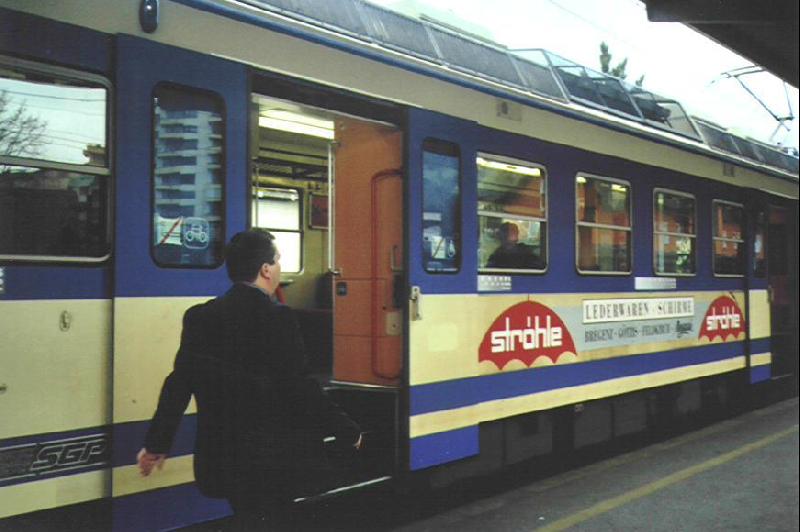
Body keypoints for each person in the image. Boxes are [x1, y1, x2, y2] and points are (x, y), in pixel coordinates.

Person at [137, 229, 361, 530]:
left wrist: (156, 444)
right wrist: (345, 429)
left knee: (248, 518)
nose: (279, 267)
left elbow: (178, 385)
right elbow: (299, 388)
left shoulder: (199, 317)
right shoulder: (278, 319)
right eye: (277, 260)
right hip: (273, 461)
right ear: (265, 269)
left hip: (221, 458)